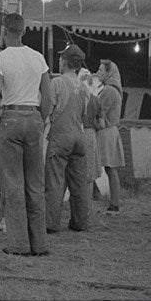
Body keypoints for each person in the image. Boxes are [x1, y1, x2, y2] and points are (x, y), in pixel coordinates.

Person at [0, 12, 52, 257]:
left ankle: (18, 244)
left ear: (4, 31)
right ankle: (40, 243)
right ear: (24, 31)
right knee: (35, 184)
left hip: (10, 118)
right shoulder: (38, 58)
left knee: (12, 184)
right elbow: (46, 96)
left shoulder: (0, 59)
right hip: (34, 116)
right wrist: (41, 118)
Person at [44, 44, 92, 234]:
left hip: (60, 137)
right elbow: (84, 113)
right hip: (79, 137)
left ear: (64, 61)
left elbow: (48, 110)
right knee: (79, 182)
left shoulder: (57, 83)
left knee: (55, 180)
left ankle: (51, 223)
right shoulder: (84, 87)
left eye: (60, 58)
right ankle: (80, 222)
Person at [95, 59, 125, 214]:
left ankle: (113, 204)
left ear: (108, 72)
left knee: (104, 168)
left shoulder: (108, 90)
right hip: (110, 131)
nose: (98, 73)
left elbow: (99, 112)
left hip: (105, 132)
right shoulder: (113, 89)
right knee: (109, 168)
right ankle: (114, 203)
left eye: (101, 70)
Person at [78, 67, 103, 195]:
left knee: (76, 171)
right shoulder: (95, 99)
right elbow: (101, 124)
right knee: (90, 173)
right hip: (90, 134)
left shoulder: (76, 96)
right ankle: (87, 204)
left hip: (77, 132)